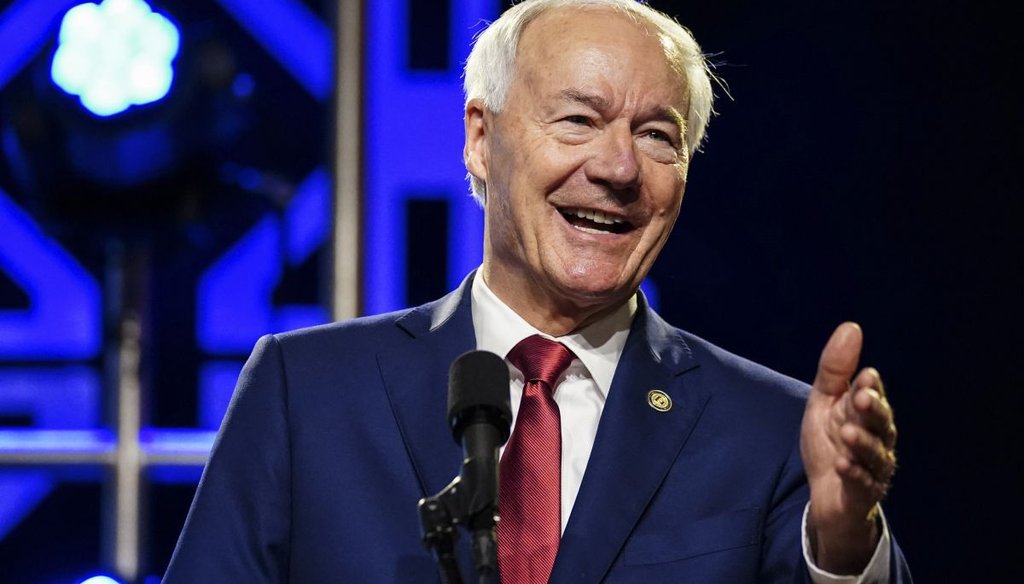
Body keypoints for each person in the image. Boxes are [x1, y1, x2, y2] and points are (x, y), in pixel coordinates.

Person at [164, 0, 911, 582]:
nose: (619, 167)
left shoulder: (768, 433)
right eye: (579, 120)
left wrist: (843, 546)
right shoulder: (307, 395)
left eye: (658, 135)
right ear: (481, 140)